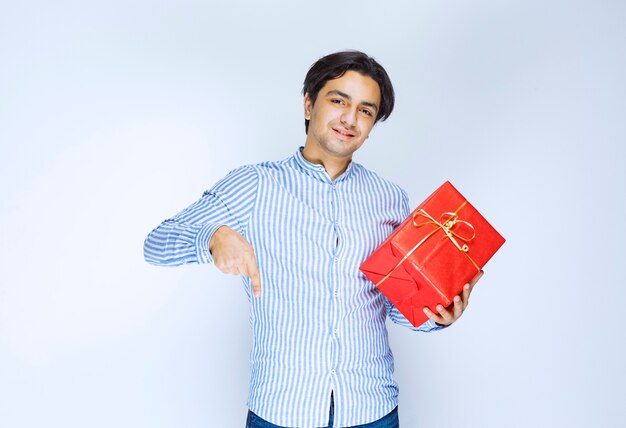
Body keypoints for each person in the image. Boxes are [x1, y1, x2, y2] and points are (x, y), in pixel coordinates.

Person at [144, 50, 482, 428]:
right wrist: (213, 236)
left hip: (372, 411)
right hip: (282, 412)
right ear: (309, 104)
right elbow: (156, 243)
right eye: (338, 101)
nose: (350, 119)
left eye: (366, 111)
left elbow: (393, 304)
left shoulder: (389, 198)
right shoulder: (255, 185)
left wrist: (437, 316)